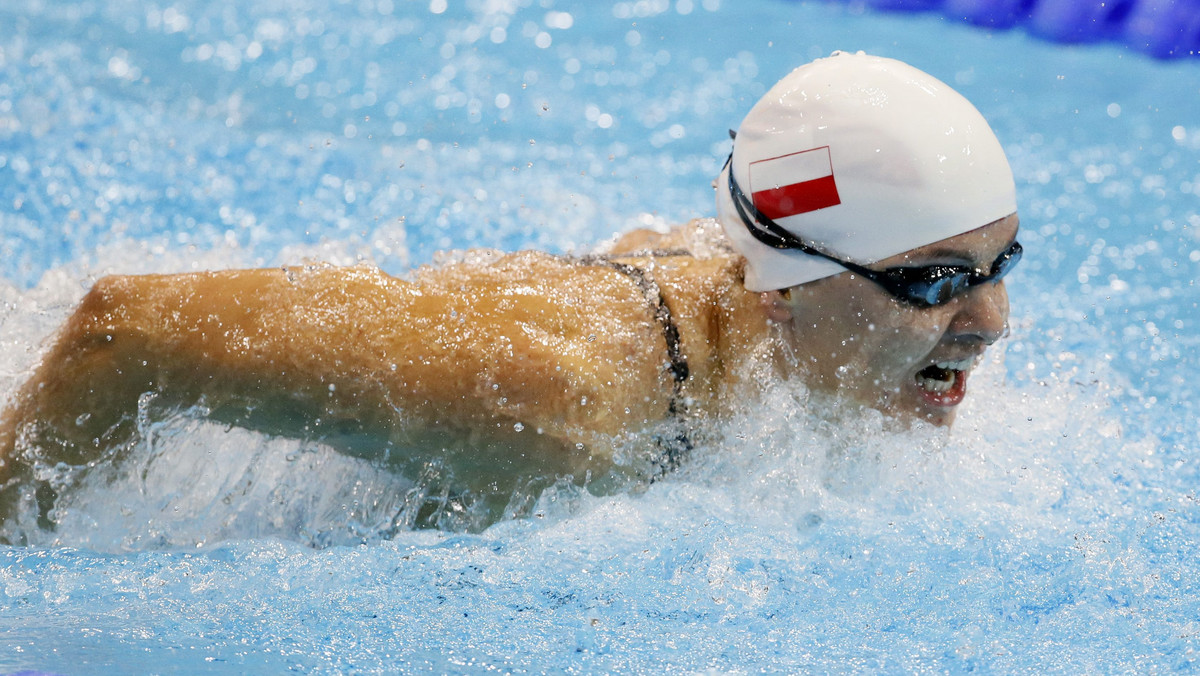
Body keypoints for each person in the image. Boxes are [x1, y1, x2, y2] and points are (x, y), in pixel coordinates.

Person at [0, 52, 1020, 527]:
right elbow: (123, 329)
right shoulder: (556, 397)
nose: (990, 325)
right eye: (931, 281)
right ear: (780, 293)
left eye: (999, 266)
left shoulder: (776, 320)